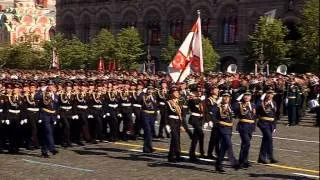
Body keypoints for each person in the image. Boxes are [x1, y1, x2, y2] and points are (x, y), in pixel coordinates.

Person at [214, 91, 240, 173]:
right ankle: (234, 163)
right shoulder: (218, 107)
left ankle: (218, 165)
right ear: (222, 98)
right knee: (229, 143)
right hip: (222, 128)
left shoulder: (230, 106)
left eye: (228, 97)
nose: (226, 98)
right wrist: (216, 104)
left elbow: (239, 104)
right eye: (224, 97)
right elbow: (212, 113)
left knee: (223, 148)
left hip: (229, 128)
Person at [234, 90, 256, 168]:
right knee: (246, 143)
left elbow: (254, 116)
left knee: (245, 144)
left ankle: (244, 160)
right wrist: (238, 99)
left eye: (248, 96)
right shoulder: (240, 104)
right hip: (243, 126)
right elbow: (234, 107)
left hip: (250, 126)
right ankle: (242, 161)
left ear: (251, 97)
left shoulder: (253, 105)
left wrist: (254, 126)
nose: (247, 97)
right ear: (243, 97)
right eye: (245, 95)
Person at [256, 87, 278, 164]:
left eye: (271, 94)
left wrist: (275, 126)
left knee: (266, 140)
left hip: (271, 124)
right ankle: (270, 156)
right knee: (269, 138)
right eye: (268, 94)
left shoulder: (274, 103)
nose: (270, 95)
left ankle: (262, 158)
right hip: (263, 123)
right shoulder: (262, 102)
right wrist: (262, 101)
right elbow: (257, 108)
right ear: (266, 95)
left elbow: (275, 115)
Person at [37, 82, 59, 158]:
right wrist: (40, 91)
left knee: (47, 134)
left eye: (52, 86)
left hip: (52, 116)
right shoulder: (43, 94)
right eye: (49, 85)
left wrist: (56, 117)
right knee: (48, 132)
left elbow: (56, 107)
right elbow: (36, 97)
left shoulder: (55, 95)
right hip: (45, 115)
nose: (50, 87)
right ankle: (52, 148)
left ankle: (44, 151)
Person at [188, 84, 205, 162]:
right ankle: (200, 151)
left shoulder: (201, 99)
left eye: (200, 91)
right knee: (201, 134)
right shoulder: (192, 99)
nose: (199, 93)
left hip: (200, 119)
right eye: (197, 91)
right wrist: (199, 99)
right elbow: (192, 103)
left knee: (196, 137)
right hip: (194, 118)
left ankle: (193, 153)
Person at [166, 86, 183, 162]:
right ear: (171, 93)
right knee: (175, 138)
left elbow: (181, 114)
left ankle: (172, 156)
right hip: (171, 121)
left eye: (177, 92)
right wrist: (167, 125)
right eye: (174, 92)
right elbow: (165, 114)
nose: (176, 93)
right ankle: (176, 155)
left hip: (177, 121)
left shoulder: (180, 101)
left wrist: (181, 124)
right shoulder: (168, 102)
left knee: (176, 139)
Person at [204, 85, 220, 160]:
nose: (217, 91)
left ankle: (216, 152)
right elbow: (208, 111)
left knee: (218, 138)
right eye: (215, 89)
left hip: (220, 120)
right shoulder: (209, 100)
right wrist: (208, 120)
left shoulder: (219, 99)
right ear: (211, 91)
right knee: (214, 137)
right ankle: (211, 153)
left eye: (217, 89)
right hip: (214, 120)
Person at [141, 85, 157, 153]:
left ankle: (148, 147)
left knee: (150, 132)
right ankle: (147, 148)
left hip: (152, 115)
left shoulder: (154, 96)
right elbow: (146, 104)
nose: (150, 91)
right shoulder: (144, 96)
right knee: (147, 130)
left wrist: (155, 116)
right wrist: (148, 98)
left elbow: (155, 106)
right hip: (146, 114)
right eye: (149, 89)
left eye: (151, 89)